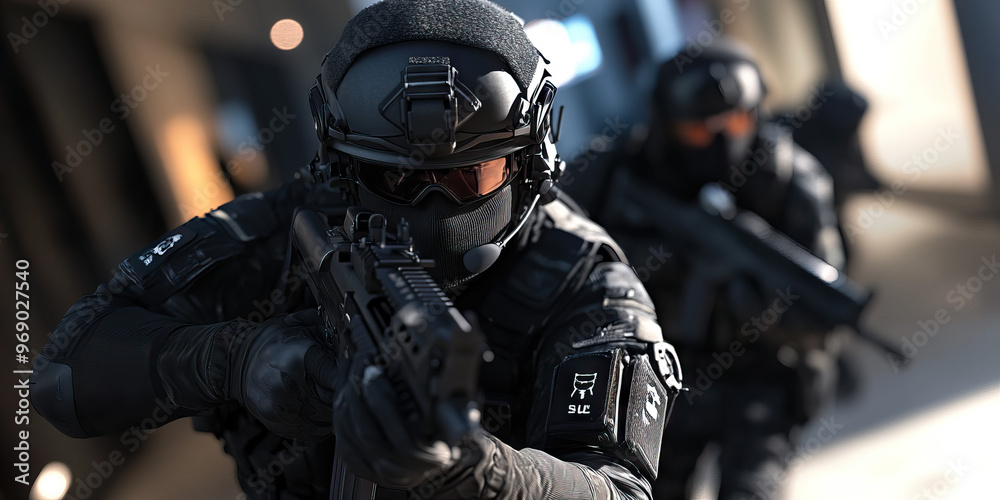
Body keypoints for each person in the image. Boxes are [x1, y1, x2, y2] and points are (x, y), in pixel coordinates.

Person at [29, 1, 682, 499]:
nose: (432, 205)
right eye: (394, 178)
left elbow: (617, 489)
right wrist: (230, 360)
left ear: (530, 164)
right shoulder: (289, 226)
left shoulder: (582, 281)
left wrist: (477, 471)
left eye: (468, 177)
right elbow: (61, 379)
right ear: (341, 167)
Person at [587, 40, 845, 499]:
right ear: (668, 124)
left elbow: (820, 316)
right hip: (660, 375)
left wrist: (747, 298)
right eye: (699, 130)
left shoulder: (791, 181)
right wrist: (665, 264)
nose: (723, 140)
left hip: (762, 376)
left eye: (738, 122)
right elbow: (575, 258)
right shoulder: (620, 174)